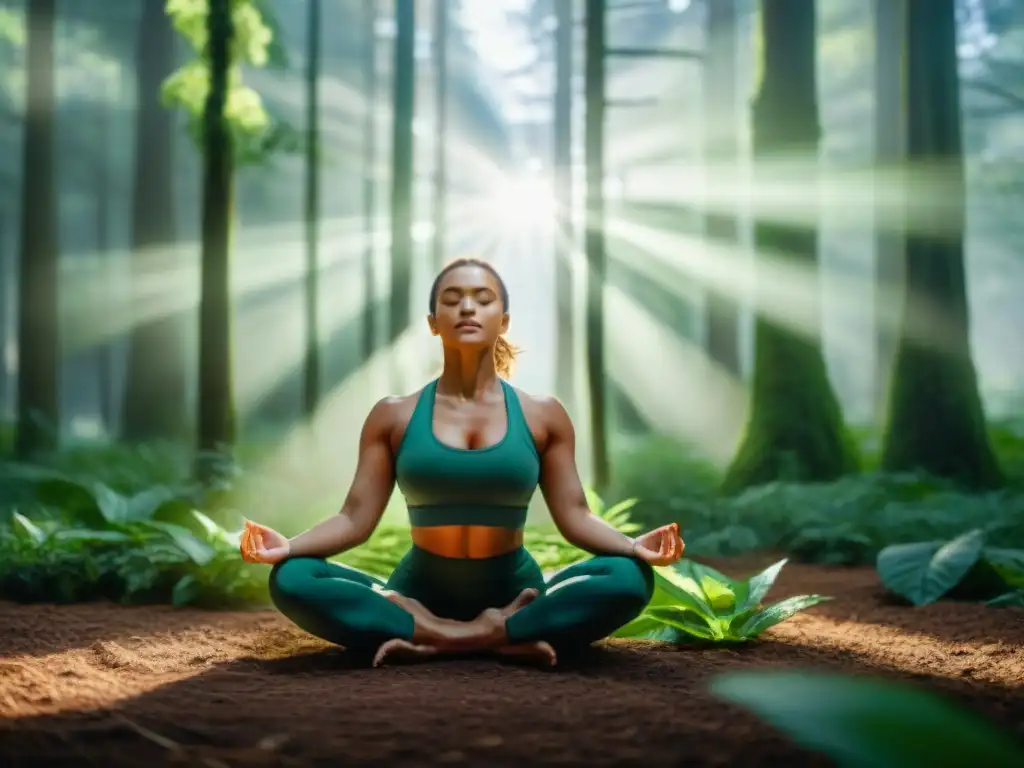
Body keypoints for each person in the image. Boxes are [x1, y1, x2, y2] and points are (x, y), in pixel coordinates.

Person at [239, 257, 684, 668]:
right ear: (434, 324)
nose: (467, 308)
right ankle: (494, 636)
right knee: (293, 577)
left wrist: (632, 546)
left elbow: (576, 515)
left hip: (515, 592)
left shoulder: (543, 414)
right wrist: (290, 546)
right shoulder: (393, 414)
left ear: (503, 321)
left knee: (628, 577)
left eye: (482, 299)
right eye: (451, 301)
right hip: (418, 592)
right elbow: (355, 517)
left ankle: (436, 637)